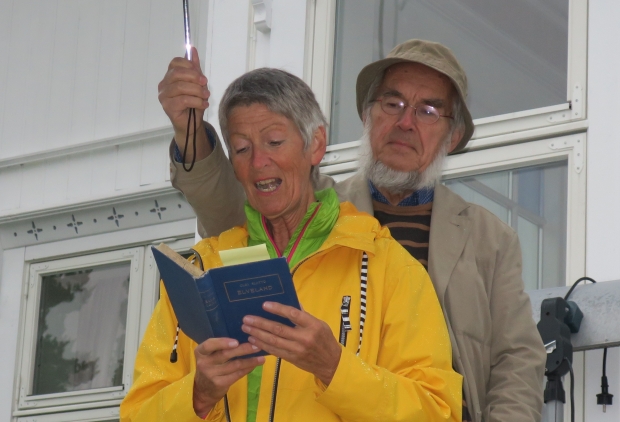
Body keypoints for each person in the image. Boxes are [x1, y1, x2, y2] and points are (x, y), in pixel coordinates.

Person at [163, 40, 547, 422]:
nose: (406, 122)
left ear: (453, 135)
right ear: (367, 115)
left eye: (428, 111)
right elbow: (233, 209)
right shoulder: (314, 206)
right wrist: (190, 132)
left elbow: (517, 358)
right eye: (392, 104)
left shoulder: (491, 239)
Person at [121, 68, 462, 421]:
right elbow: (136, 415)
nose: (258, 162)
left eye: (274, 142)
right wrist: (197, 395)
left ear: (316, 145)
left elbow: (438, 413)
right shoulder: (202, 270)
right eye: (242, 148)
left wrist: (335, 368)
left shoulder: (388, 265)